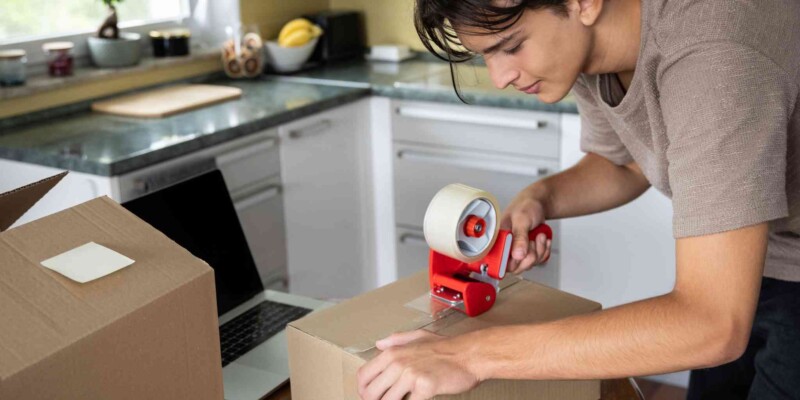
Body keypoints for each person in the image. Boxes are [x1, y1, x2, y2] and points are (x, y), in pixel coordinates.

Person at [356, 0, 800, 399]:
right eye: (485, 54)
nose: (500, 77)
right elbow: (628, 164)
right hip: (756, 255)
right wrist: (541, 197)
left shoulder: (713, 57)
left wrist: (470, 356)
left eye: (511, 45)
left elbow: (711, 322)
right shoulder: (590, 54)